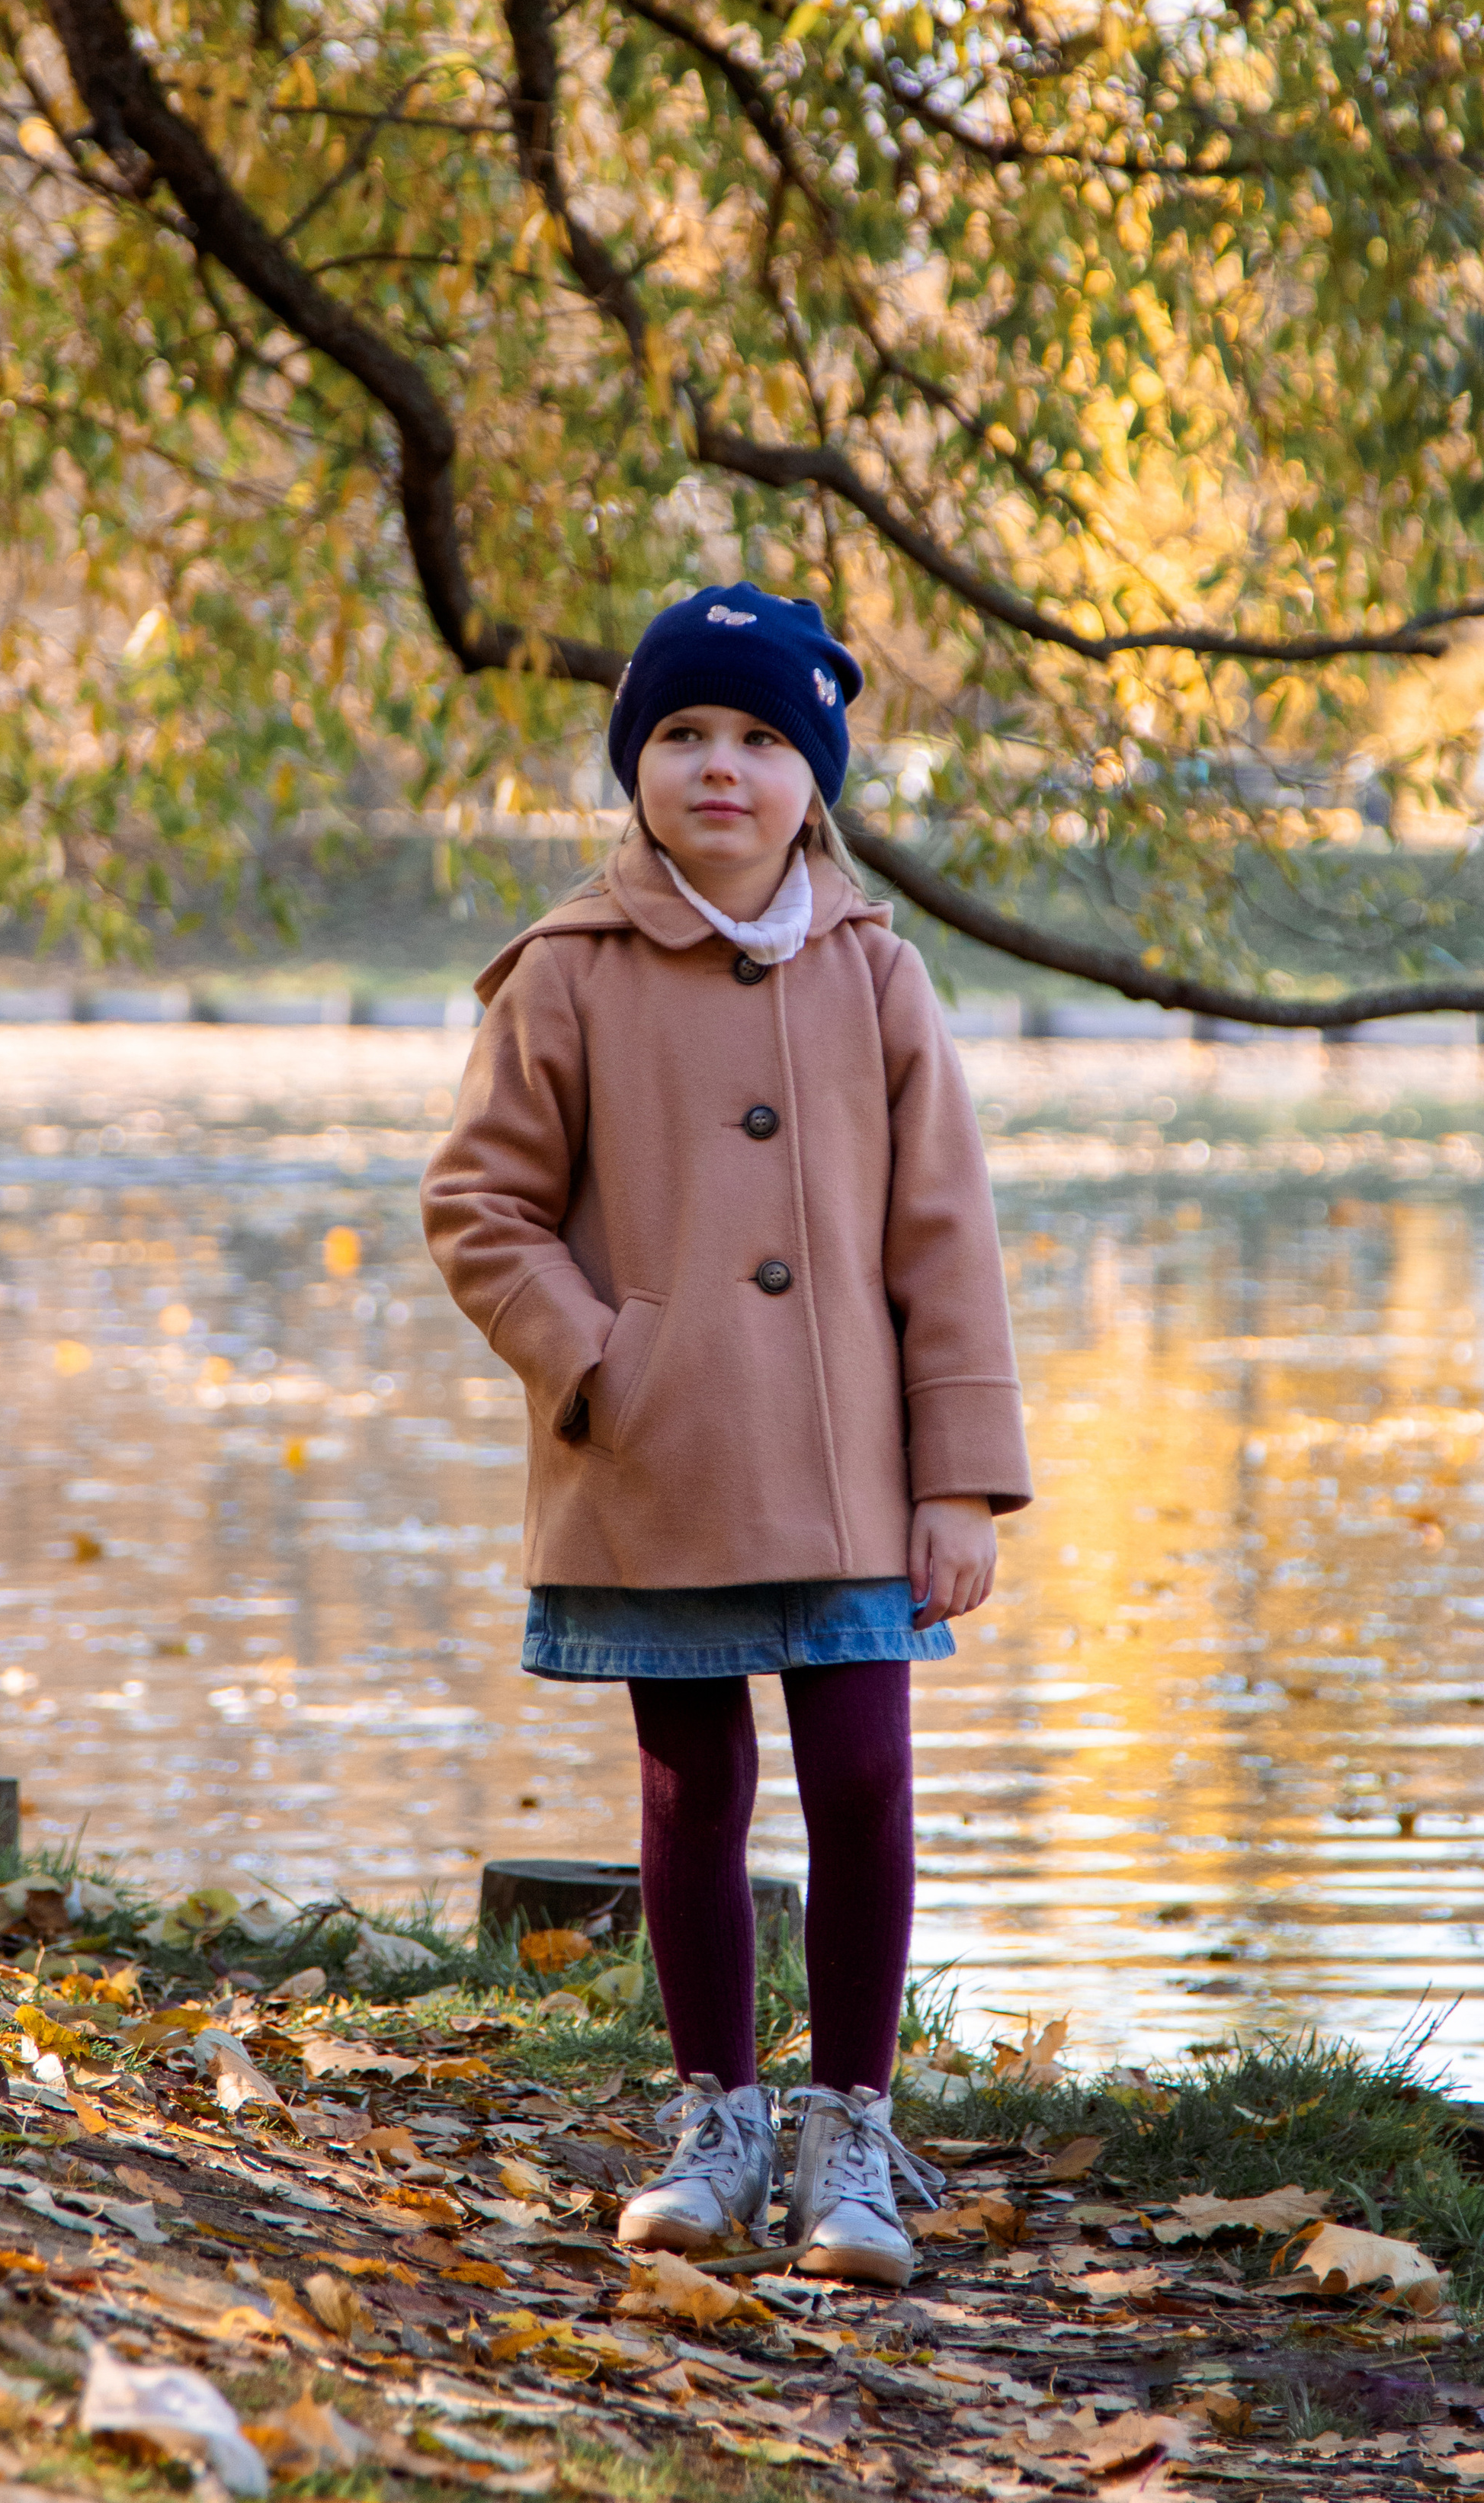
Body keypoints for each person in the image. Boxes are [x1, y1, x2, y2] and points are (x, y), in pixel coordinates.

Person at [421, 585, 1030, 2284]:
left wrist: (961, 1479)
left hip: (855, 1477)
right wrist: (601, 1364)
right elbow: (477, 1204)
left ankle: (850, 2131)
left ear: (811, 777)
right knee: (691, 1787)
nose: (719, 766)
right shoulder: (567, 973)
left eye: (761, 738)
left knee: (864, 1778)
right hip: (658, 1458)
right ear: (634, 764)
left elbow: (946, 1238)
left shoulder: (878, 974)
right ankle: (716, 2123)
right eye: (682, 732)